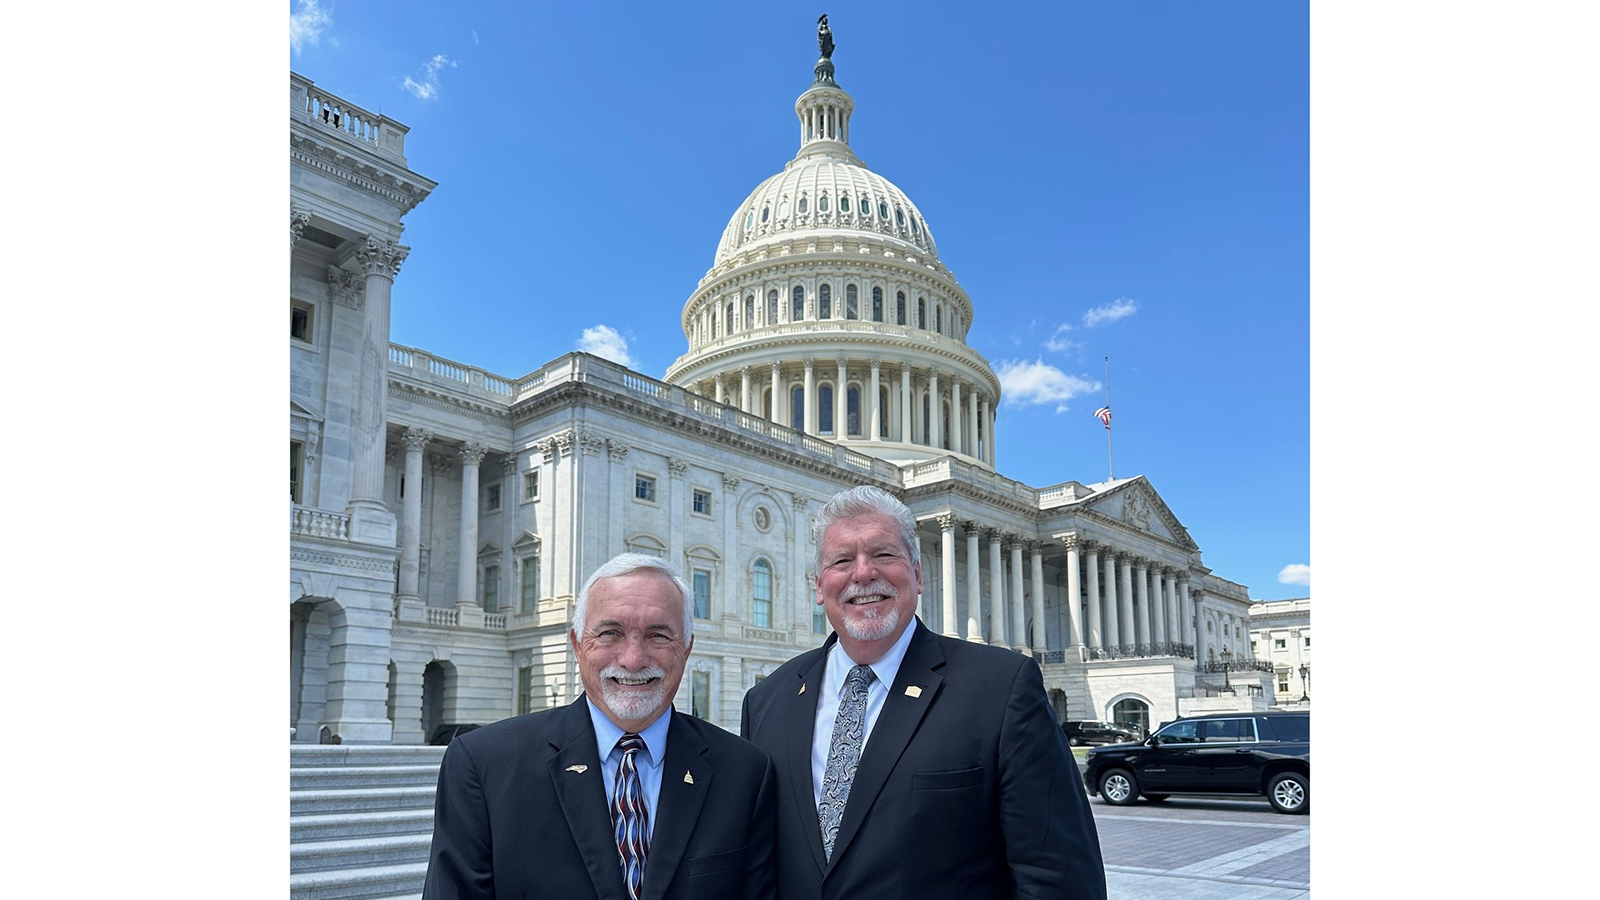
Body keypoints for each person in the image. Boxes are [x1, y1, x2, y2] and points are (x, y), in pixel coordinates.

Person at [740, 486, 1106, 900]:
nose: (863, 574)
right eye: (842, 561)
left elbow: (1058, 877)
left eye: (883, 554)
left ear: (917, 574)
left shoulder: (1001, 688)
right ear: (820, 586)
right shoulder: (767, 700)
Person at [424, 553, 777, 900]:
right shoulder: (484, 766)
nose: (633, 659)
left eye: (658, 635)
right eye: (610, 633)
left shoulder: (745, 773)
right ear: (578, 645)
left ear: (686, 649)